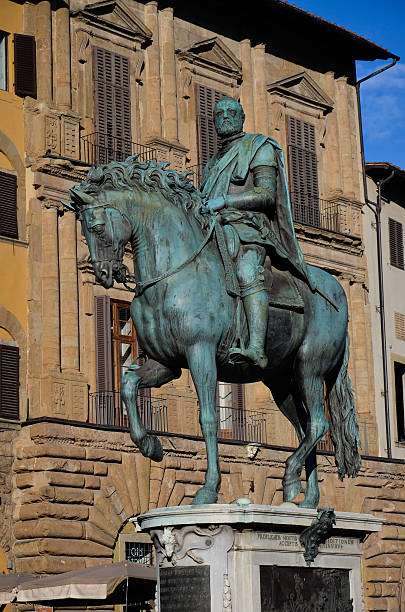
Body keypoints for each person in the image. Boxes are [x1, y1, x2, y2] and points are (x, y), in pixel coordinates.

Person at [201, 97, 313, 369]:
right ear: (214, 122)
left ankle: (256, 347)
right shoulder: (212, 164)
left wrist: (225, 201)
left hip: (249, 230)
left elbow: (266, 195)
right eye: (219, 114)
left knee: (247, 272)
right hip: (215, 230)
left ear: (242, 117)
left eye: (231, 112)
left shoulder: (259, 148)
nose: (225, 117)